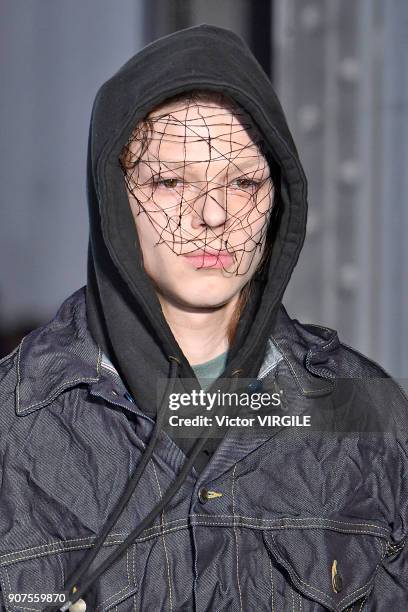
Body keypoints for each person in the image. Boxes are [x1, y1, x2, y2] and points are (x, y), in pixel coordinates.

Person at [0, 24, 407, 612]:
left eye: (242, 181)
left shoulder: (368, 415)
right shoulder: (16, 431)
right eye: (169, 181)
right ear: (113, 195)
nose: (213, 213)